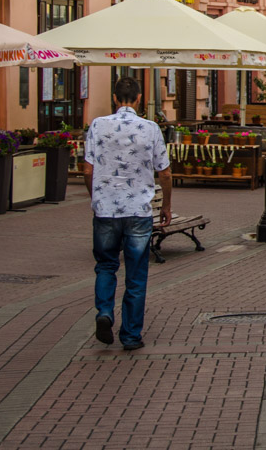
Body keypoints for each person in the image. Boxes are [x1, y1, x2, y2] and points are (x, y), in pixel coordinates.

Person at [84, 76, 172, 351]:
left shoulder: (97, 126)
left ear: (114, 98)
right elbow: (165, 172)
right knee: (136, 274)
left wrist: (96, 197)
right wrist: (166, 205)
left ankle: (105, 312)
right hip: (138, 210)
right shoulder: (151, 128)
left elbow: (87, 170)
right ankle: (131, 335)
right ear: (138, 99)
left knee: (106, 265)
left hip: (106, 210)